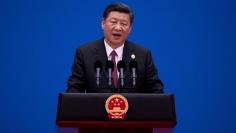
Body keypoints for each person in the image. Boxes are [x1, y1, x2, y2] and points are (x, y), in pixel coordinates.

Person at [66, 2, 163, 93]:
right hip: (95, 111)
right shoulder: (84, 53)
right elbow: (74, 89)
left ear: (130, 29)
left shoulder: (143, 55)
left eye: (124, 24)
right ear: (103, 23)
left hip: (134, 111)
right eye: (113, 22)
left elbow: (156, 90)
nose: (118, 28)